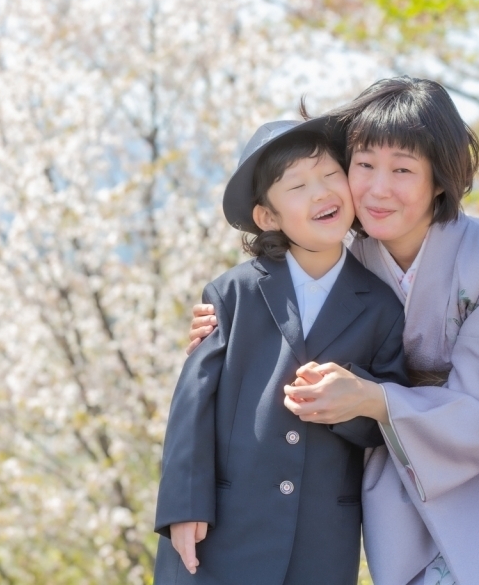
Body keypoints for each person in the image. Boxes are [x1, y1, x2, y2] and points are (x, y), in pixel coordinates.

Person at [186, 77, 479, 585]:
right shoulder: (350, 258)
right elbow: (287, 308)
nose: (378, 189)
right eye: (364, 165)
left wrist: (375, 399)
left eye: (402, 169)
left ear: (439, 179)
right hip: (418, 455)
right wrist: (233, 322)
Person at [154, 117, 409, 584]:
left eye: (330, 174)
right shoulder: (233, 294)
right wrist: (183, 506)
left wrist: (349, 403)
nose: (321, 192)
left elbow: (389, 420)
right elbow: (193, 405)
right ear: (267, 217)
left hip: (320, 539)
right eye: (297, 185)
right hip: (224, 529)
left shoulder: (382, 306)